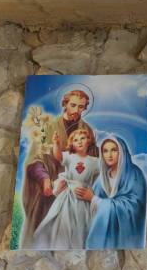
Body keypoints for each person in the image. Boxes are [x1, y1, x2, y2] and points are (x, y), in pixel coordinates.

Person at [20, 89, 97, 247]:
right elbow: (35, 158)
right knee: (44, 232)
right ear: (65, 104)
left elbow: (93, 161)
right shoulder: (47, 127)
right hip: (48, 191)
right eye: (73, 105)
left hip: (76, 193)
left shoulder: (87, 131)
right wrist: (45, 179)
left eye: (81, 107)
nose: (76, 110)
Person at [30, 129, 100, 249]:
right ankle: (60, 243)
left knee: (81, 224)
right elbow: (58, 156)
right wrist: (56, 143)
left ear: (89, 140)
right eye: (75, 140)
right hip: (68, 196)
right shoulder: (70, 157)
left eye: (82, 138)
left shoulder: (95, 162)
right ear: (72, 144)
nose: (79, 142)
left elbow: (101, 177)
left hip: (83, 196)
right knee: (64, 220)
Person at [76, 136, 147, 249]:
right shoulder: (101, 179)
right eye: (105, 151)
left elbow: (134, 207)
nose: (109, 155)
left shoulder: (134, 174)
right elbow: (91, 202)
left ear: (122, 152)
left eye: (114, 150)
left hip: (125, 235)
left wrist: (95, 200)